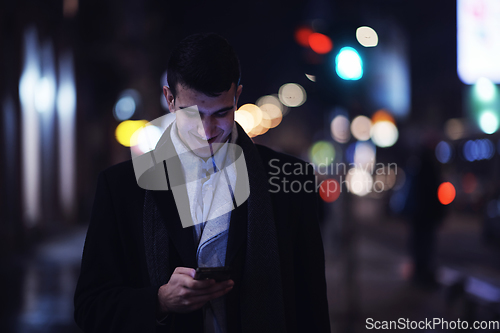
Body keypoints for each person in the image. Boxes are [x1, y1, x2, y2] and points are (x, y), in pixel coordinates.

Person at [74, 33, 330, 333]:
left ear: (237, 97)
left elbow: (312, 307)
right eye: (192, 115)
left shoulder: (289, 179)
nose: (207, 131)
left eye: (221, 113)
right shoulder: (120, 189)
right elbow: (90, 308)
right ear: (170, 99)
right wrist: (159, 301)